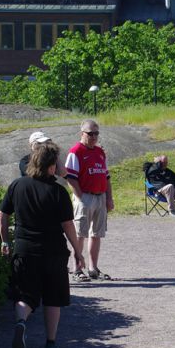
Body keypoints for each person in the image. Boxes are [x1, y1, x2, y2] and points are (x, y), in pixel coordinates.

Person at [0, 142, 85, 348]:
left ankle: (21, 322)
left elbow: (3, 214)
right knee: (53, 297)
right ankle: (51, 342)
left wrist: (5, 241)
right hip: (53, 251)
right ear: (52, 166)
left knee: (25, 295)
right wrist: (77, 250)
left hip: (25, 249)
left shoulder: (17, 186)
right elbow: (67, 225)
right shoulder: (58, 191)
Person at [65, 119, 114, 281]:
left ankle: (93, 268)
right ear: (82, 133)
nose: (93, 136)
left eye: (96, 133)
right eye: (90, 133)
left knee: (96, 234)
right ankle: (77, 269)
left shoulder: (100, 152)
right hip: (84, 196)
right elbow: (70, 178)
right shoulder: (76, 151)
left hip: (100, 196)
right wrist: (80, 197)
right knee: (80, 234)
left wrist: (109, 198)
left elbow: (106, 177)